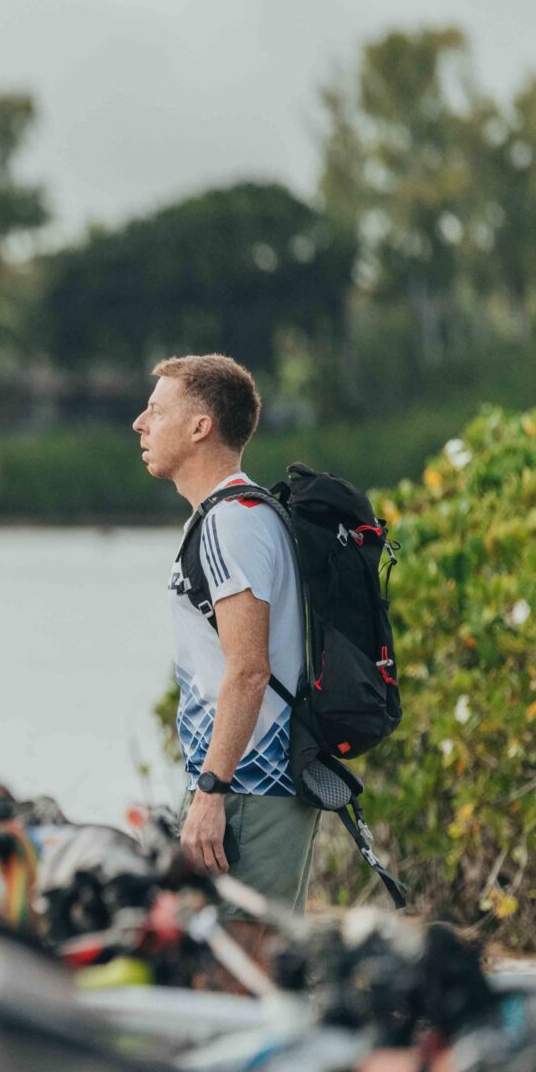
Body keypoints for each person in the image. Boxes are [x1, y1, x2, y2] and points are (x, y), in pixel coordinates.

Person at [132, 353, 318, 905]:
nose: (140, 423)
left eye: (156, 410)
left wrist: (211, 790)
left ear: (200, 427)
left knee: (241, 950)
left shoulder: (231, 522)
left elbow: (249, 668)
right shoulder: (233, 515)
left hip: (249, 786)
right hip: (248, 784)